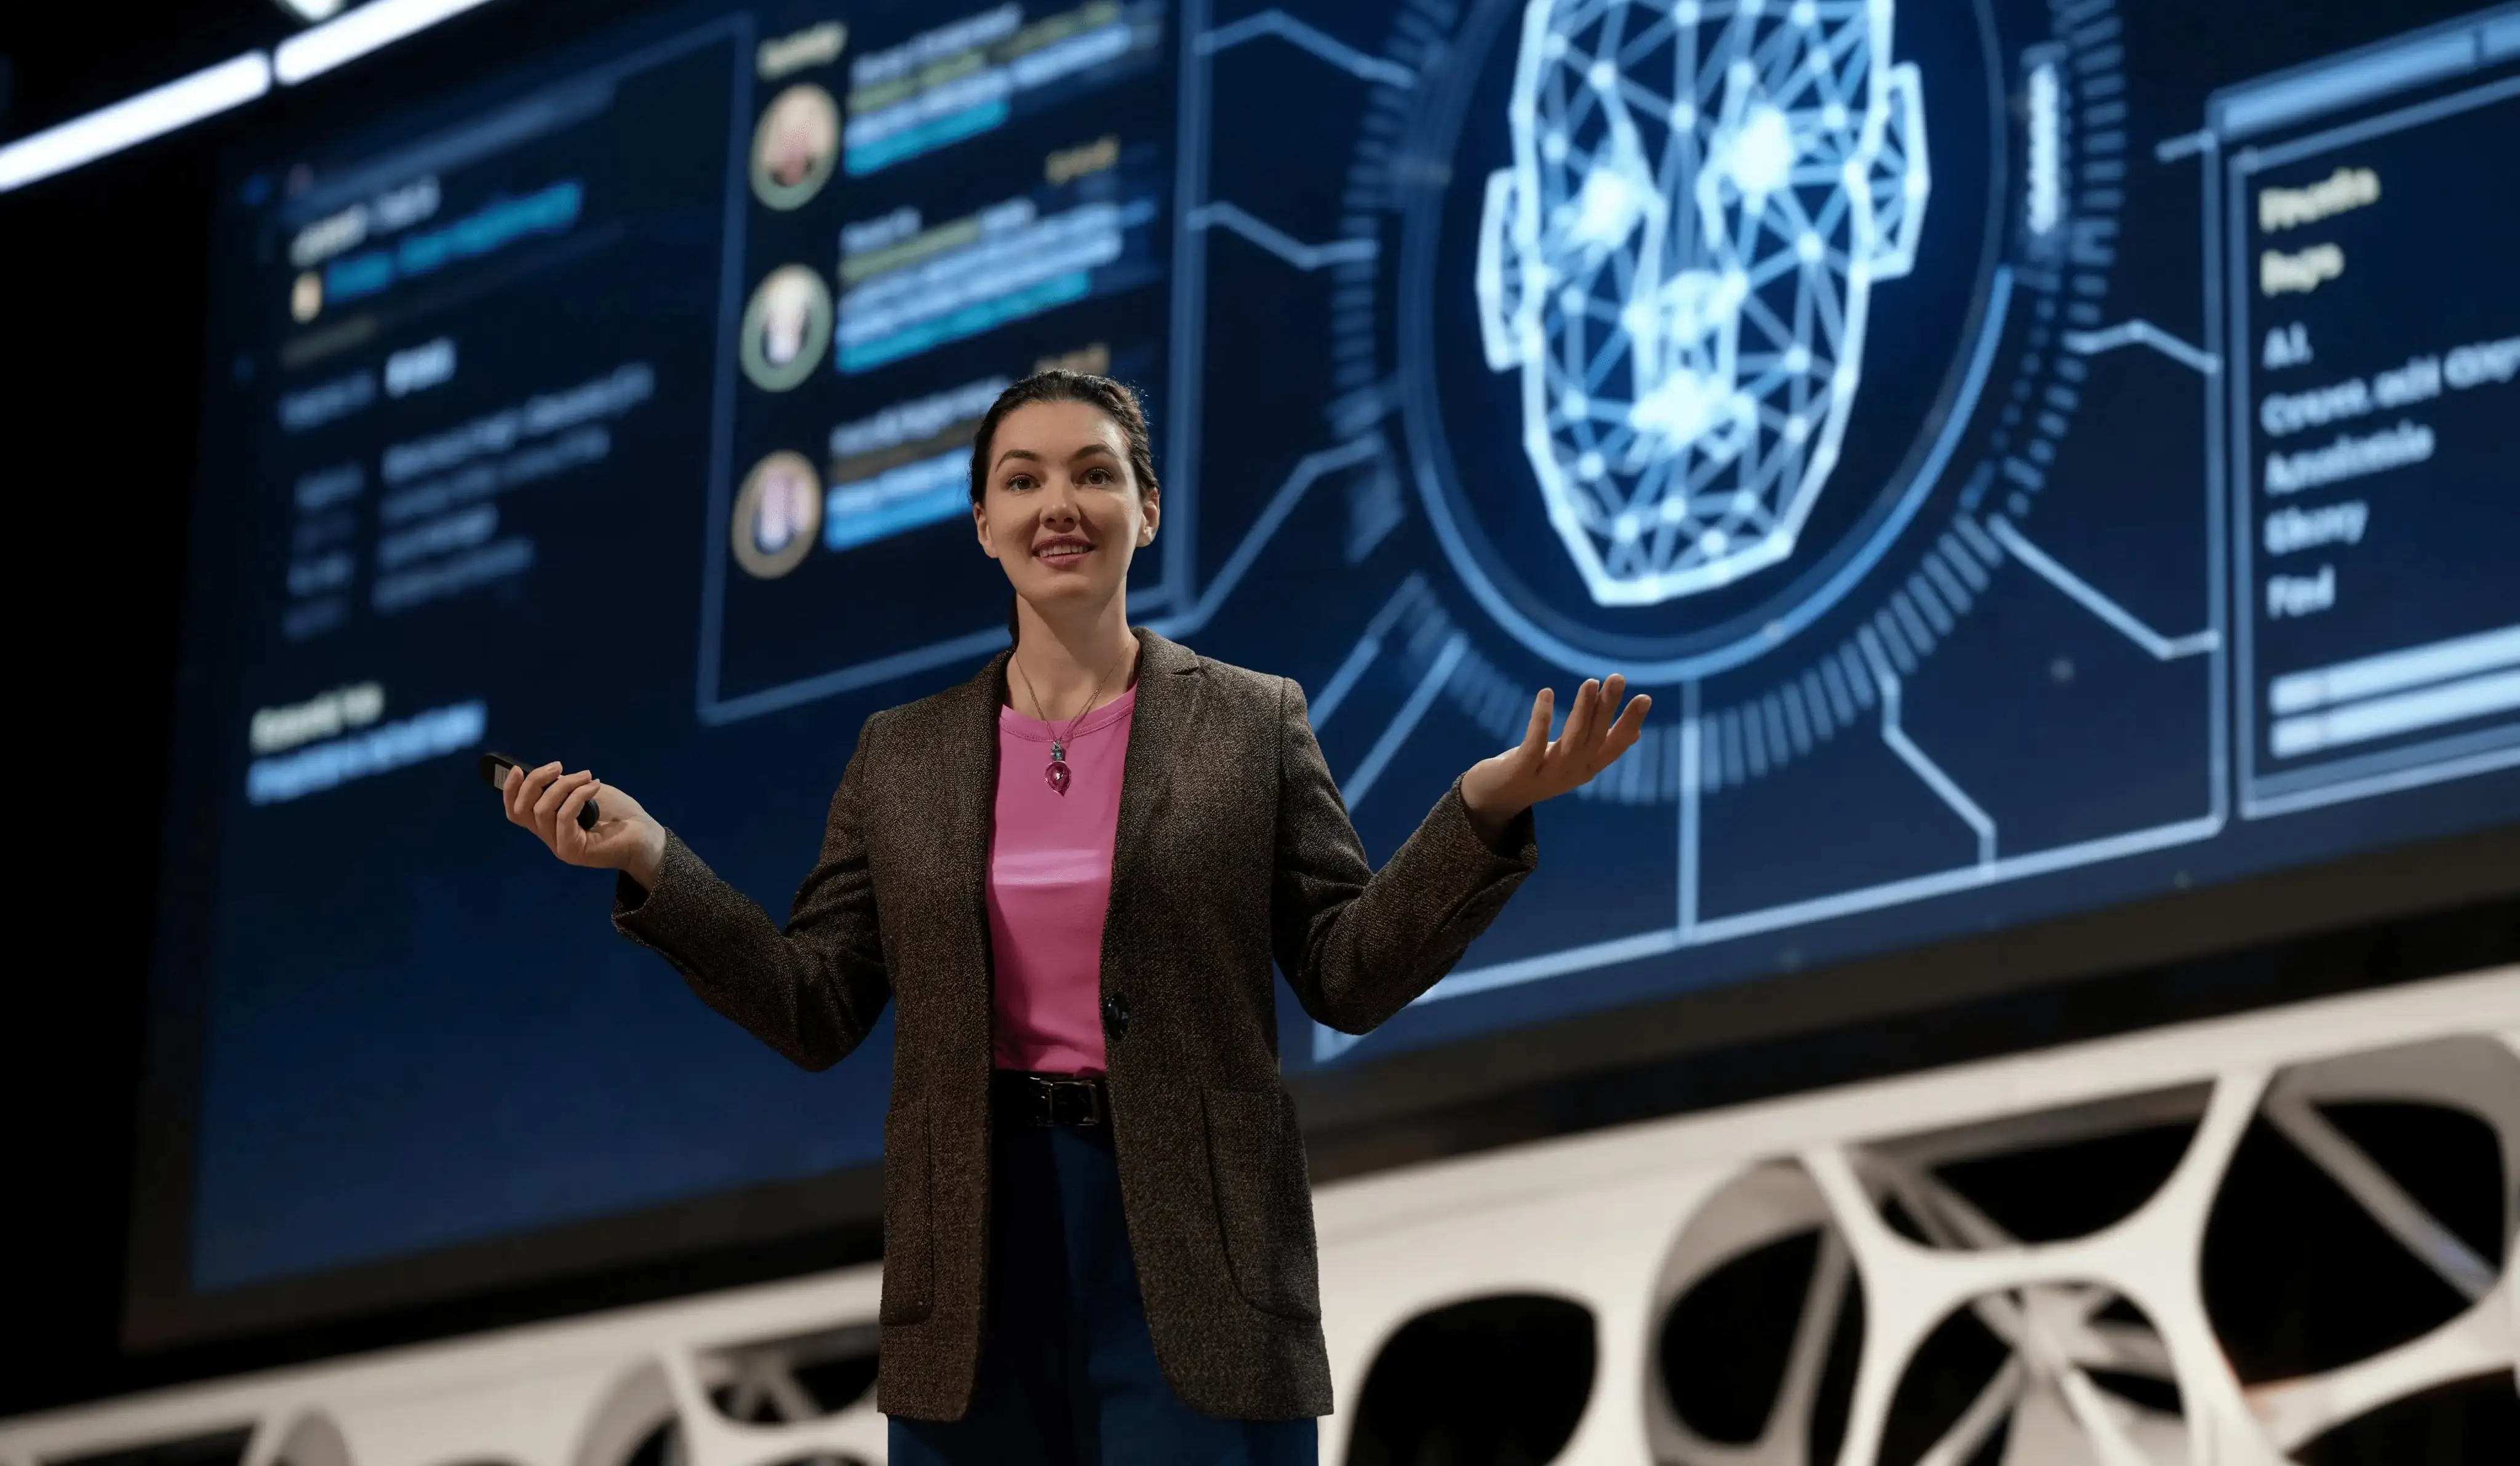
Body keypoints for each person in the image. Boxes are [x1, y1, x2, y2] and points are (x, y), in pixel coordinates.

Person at [498, 370, 1651, 1463]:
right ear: (983, 522)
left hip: (1195, 1252)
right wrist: (657, 862)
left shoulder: (1252, 723)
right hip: (976, 1256)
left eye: (1095, 474)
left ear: (1146, 510)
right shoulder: (902, 756)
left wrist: (1484, 811)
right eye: (1023, 478)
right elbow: (817, 1004)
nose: (1061, 504)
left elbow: (1345, 970)